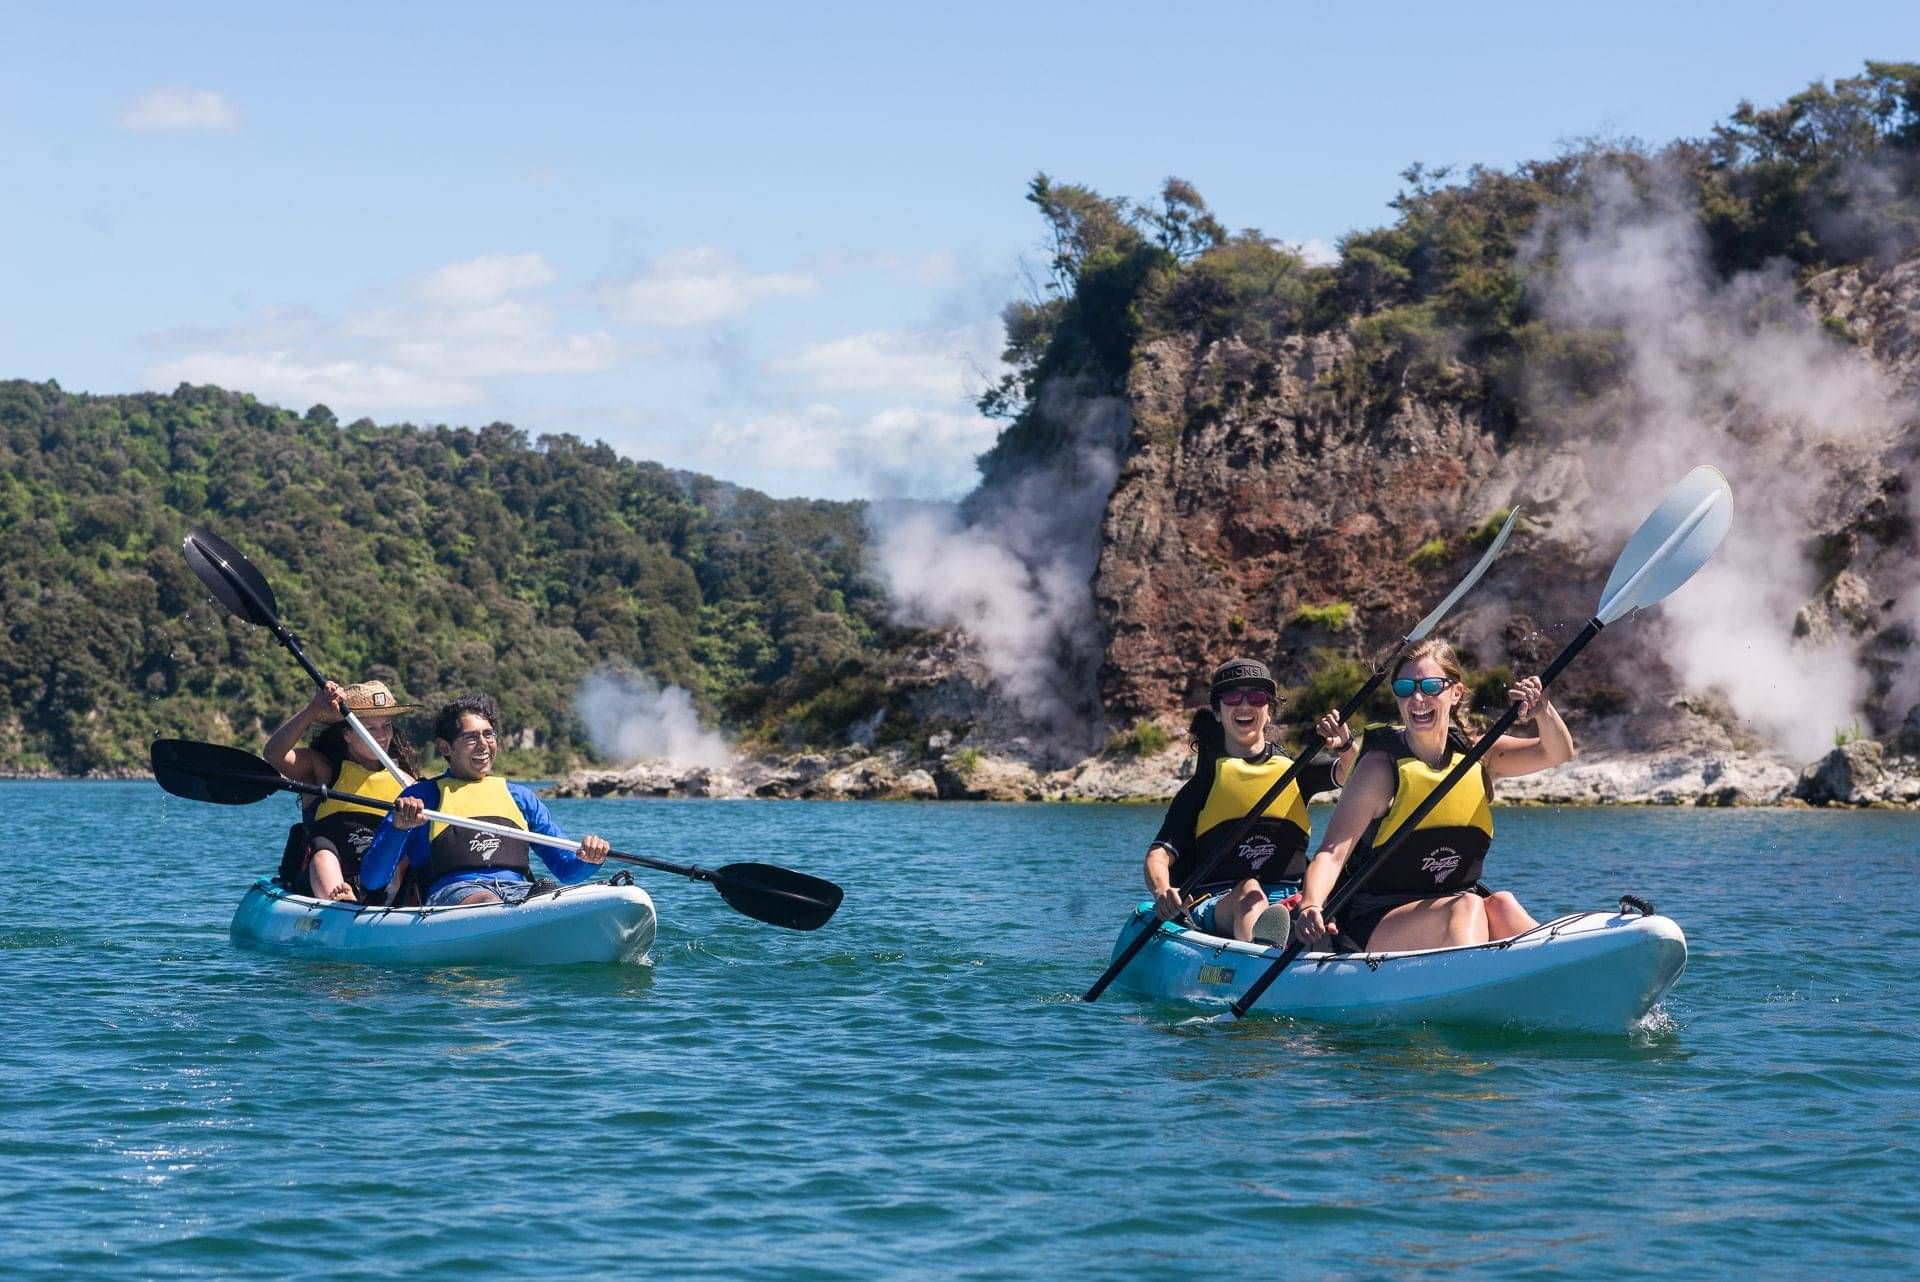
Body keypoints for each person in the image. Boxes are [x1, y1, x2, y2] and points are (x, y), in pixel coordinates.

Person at [1292, 638, 1575, 953]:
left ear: (1455, 692)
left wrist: (1542, 710)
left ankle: (1556, 964)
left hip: (1455, 908)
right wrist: (1311, 905)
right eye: (1405, 688)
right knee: (1467, 907)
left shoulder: (1479, 755)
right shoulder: (1378, 770)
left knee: (1501, 904)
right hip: (1374, 918)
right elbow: (1331, 853)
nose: (1417, 698)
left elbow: (1557, 752)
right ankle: (1472, 986)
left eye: (1429, 686)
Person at [1143, 658, 1361, 943]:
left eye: (1257, 697)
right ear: (1218, 712)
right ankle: (1261, 954)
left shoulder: (1295, 771)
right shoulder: (1204, 784)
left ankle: (1296, 939)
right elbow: (1158, 856)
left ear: (1268, 711)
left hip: (1290, 899)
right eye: (1233, 697)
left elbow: (1354, 774)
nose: (1245, 705)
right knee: (1250, 892)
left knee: (1320, 906)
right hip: (1218, 901)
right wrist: (1162, 890)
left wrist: (1345, 745)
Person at [359, 693, 610, 907]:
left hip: (518, 894)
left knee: (544, 895)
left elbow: (567, 869)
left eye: (488, 735)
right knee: (488, 900)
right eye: (471, 737)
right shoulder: (420, 798)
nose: (483, 745)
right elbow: (373, 879)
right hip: (455, 897)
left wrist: (589, 860)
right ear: (445, 748)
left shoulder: (521, 798)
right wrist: (398, 828)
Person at [263, 679, 421, 901]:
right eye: (370, 729)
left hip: (382, 877)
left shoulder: (405, 782)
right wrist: (313, 709)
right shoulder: (323, 768)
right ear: (347, 734)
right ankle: (340, 899)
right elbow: (273, 755)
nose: (383, 736)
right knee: (322, 848)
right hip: (327, 875)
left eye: (386, 726)